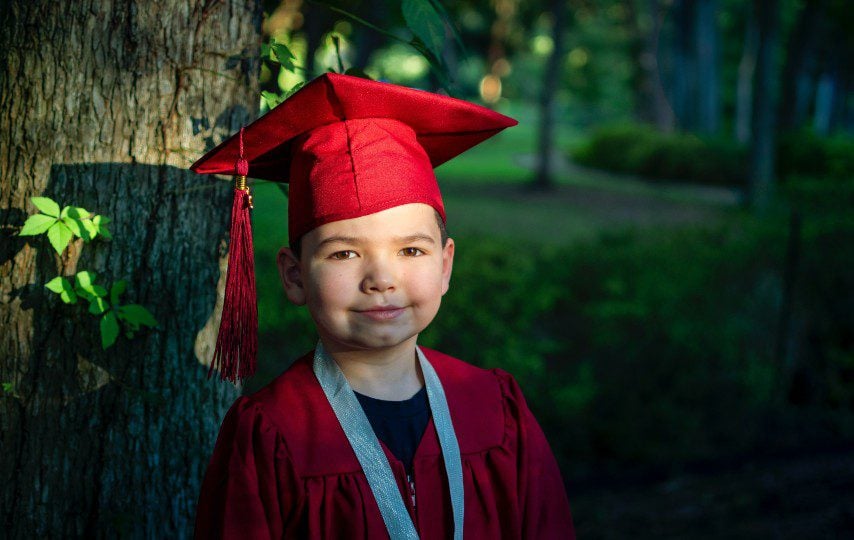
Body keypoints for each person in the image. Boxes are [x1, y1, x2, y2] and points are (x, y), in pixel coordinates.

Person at [191, 73, 575, 539]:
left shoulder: (496, 407)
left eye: (411, 250)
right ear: (294, 276)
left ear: (446, 265)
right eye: (344, 253)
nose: (381, 280)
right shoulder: (271, 432)